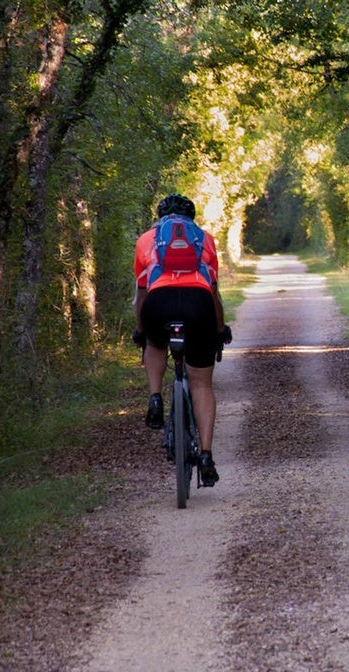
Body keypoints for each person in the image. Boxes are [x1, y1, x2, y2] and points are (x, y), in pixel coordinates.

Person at [132, 193, 231, 486]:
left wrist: (142, 329)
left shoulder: (146, 240)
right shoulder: (204, 239)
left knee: (154, 343)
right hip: (198, 303)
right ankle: (206, 455)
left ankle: (155, 397)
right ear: (192, 217)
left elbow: (140, 295)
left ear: (159, 216)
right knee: (200, 383)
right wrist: (219, 328)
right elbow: (213, 291)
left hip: (158, 303)